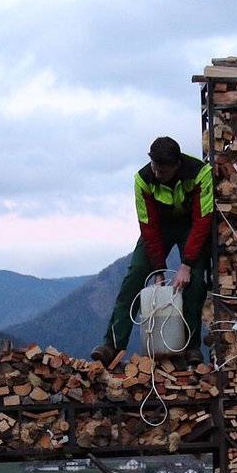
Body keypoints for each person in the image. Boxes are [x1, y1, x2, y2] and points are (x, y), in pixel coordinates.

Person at [91, 136, 214, 365]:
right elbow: (148, 225)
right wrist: (158, 270)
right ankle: (112, 345)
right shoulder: (142, 179)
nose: (157, 174)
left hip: (191, 226)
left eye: (163, 171)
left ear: (176, 165)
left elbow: (203, 220)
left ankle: (191, 347)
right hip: (159, 228)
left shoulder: (200, 173)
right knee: (136, 275)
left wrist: (186, 265)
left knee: (196, 280)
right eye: (154, 168)